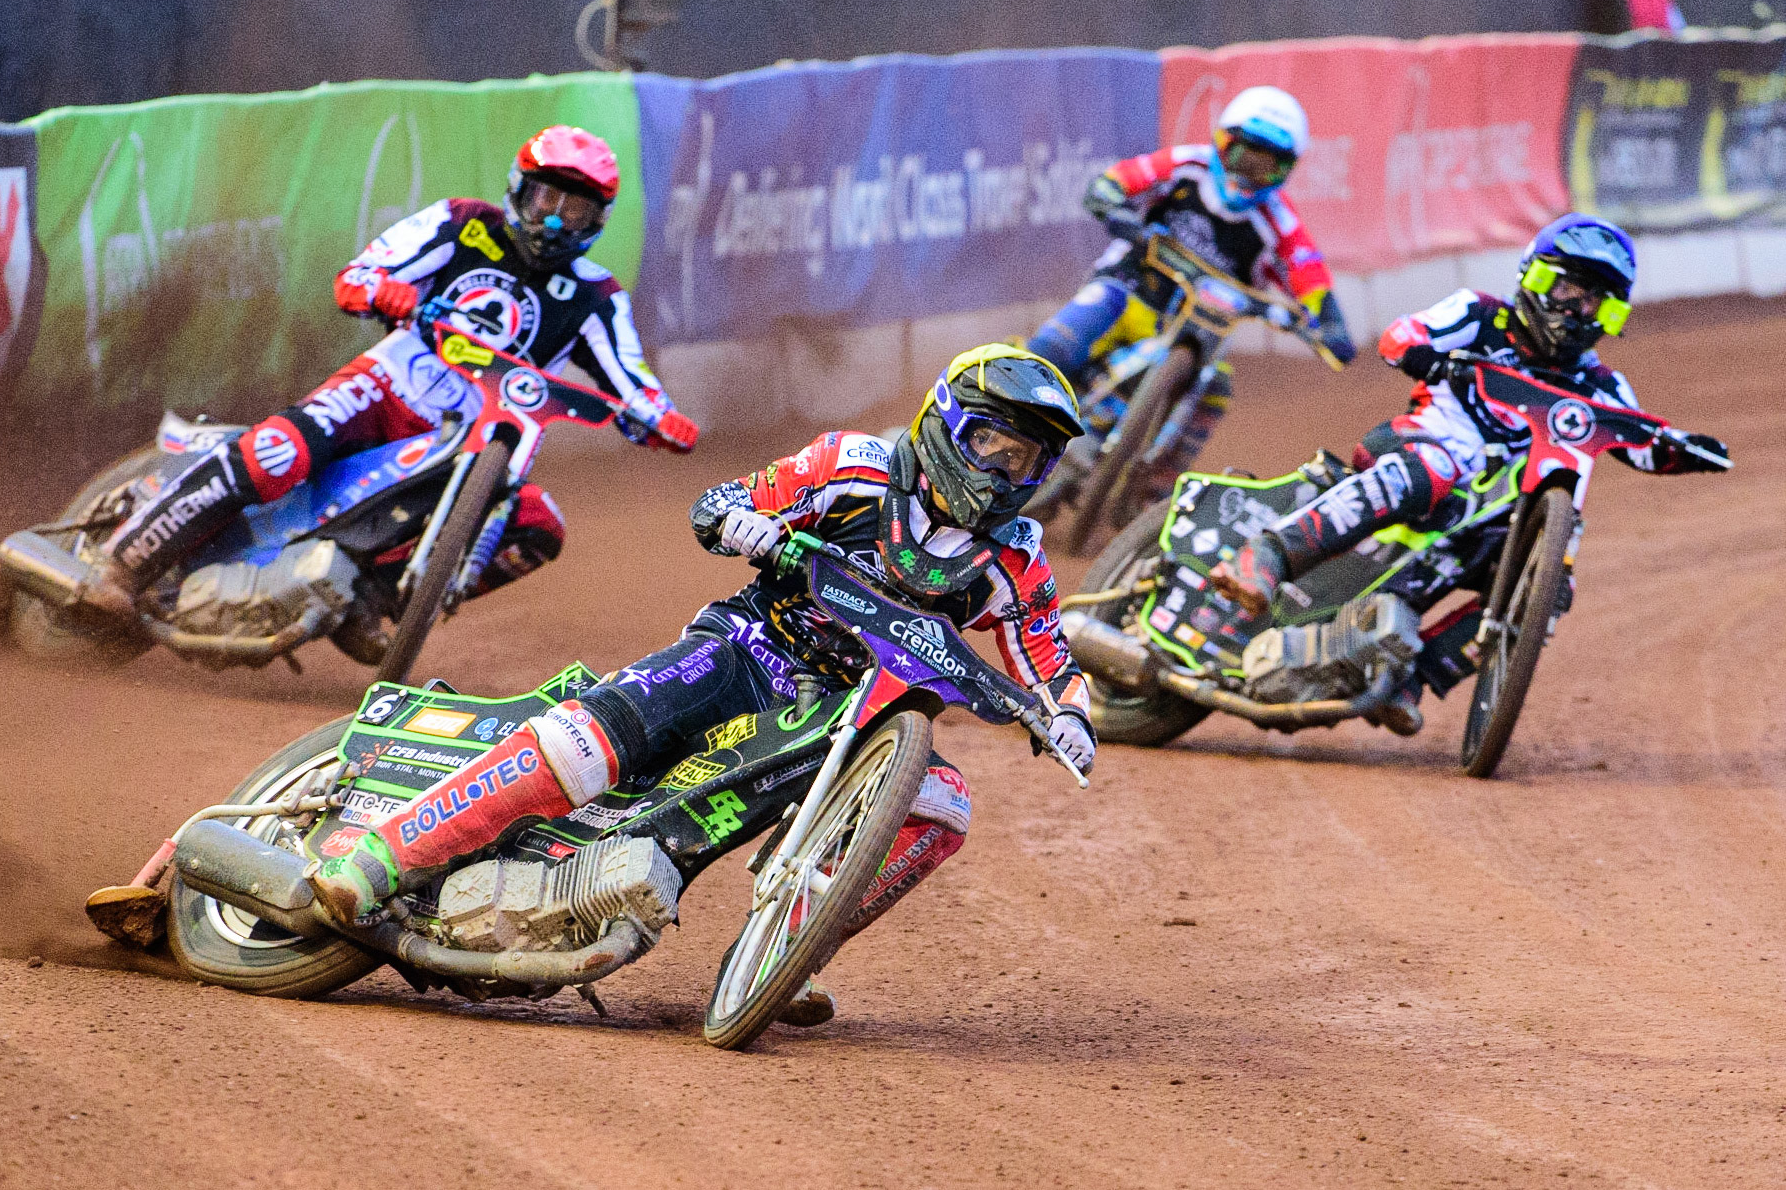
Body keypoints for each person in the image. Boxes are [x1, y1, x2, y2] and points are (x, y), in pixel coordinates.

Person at [310, 345, 1099, 1026]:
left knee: (942, 802)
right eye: (990, 442)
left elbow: (1050, 663)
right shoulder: (852, 465)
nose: (1003, 471)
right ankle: (385, 854)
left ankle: (789, 946)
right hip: (746, 649)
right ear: (945, 423)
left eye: (1025, 459)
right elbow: (722, 501)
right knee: (588, 741)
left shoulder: (1014, 562)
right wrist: (744, 522)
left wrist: (1071, 717)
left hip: (844, 717)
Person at [80, 125, 696, 627]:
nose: (555, 220)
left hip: (468, 442)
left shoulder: (596, 296)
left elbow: (634, 383)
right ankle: (121, 566)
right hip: (383, 388)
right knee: (277, 453)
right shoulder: (463, 223)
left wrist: (661, 418)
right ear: (519, 189)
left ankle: (377, 606)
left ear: (597, 220)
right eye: (546, 200)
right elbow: (358, 276)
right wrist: (387, 292)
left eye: (574, 208)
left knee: (538, 524)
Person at [1210, 213, 1730, 623]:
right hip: (1420, 446)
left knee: (1546, 583)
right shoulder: (1481, 316)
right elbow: (1401, 336)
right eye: (1567, 291)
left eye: (1593, 302)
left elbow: (1641, 442)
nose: (1576, 310)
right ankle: (1268, 554)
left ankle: (1413, 671)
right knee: (1432, 470)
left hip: (1489, 506)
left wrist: (1685, 448)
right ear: (1535, 278)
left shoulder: (1600, 383)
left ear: (1610, 314)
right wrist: (1429, 358)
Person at [1026, 85, 1354, 487]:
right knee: (1051, 349)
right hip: (1126, 291)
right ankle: (995, 418)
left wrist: (1331, 326)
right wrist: (1114, 206)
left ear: (1286, 170)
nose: (1249, 175)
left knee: (1216, 389)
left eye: (1267, 166)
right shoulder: (1186, 165)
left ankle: (1156, 488)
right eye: (1244, 156)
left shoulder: (1280, 222)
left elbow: (1312, 280)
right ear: (1223, 143)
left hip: (1196, 333)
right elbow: (1117, 181)